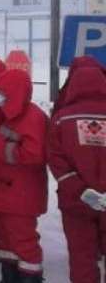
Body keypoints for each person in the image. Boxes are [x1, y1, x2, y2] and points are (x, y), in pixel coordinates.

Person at [0, 66, 48, 282]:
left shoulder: (33, 117)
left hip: (21, 194)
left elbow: (33, 154)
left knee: (24, 242)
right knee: (5, 242)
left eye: (2, 91)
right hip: (4, 193)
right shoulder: (4, 115)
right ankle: (9, 278)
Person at [47, 56, 106, 283]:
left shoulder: (62, 119)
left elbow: (55, 158)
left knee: (82, 257)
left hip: (76, 200)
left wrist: (81, 189)